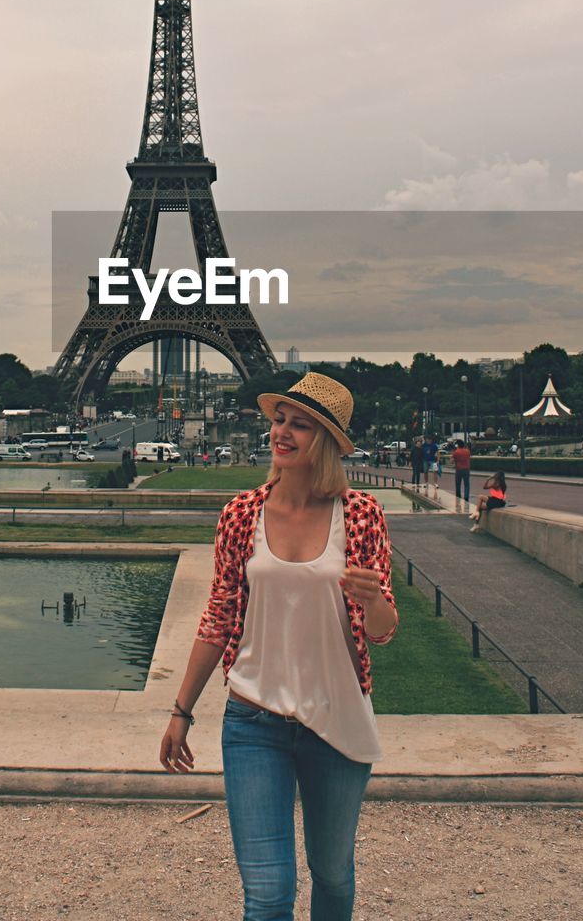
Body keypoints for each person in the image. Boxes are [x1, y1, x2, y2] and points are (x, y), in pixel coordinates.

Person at [159, 372, 398, 921]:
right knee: (267, 894)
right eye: (280, 420)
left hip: (336, 718)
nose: (283, 433)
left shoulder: (360, 514)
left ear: (330, 443)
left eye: (301, 425)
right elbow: (218, 620)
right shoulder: (242, 513)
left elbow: (382, 629)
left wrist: (373, 598)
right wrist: (181, 711)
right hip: (254, 719)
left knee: (332, 874)